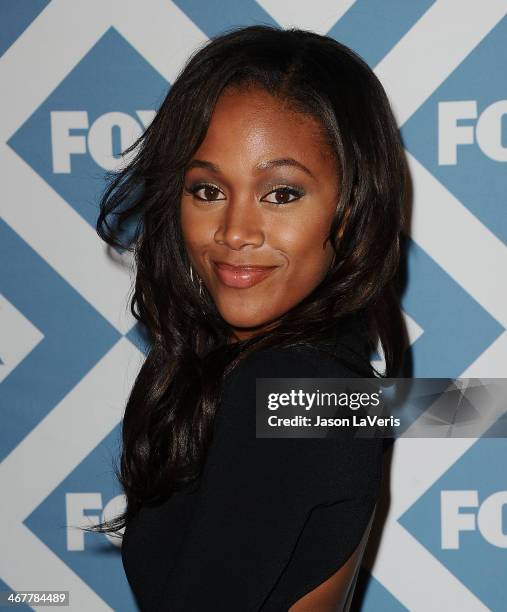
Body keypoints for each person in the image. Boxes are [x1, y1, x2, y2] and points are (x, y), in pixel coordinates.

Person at [87, 24, 407, 611]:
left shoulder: (287, 389)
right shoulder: (306, 376)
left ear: (352, 204)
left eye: (280, 194)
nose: (234, 232)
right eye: (207, 190)